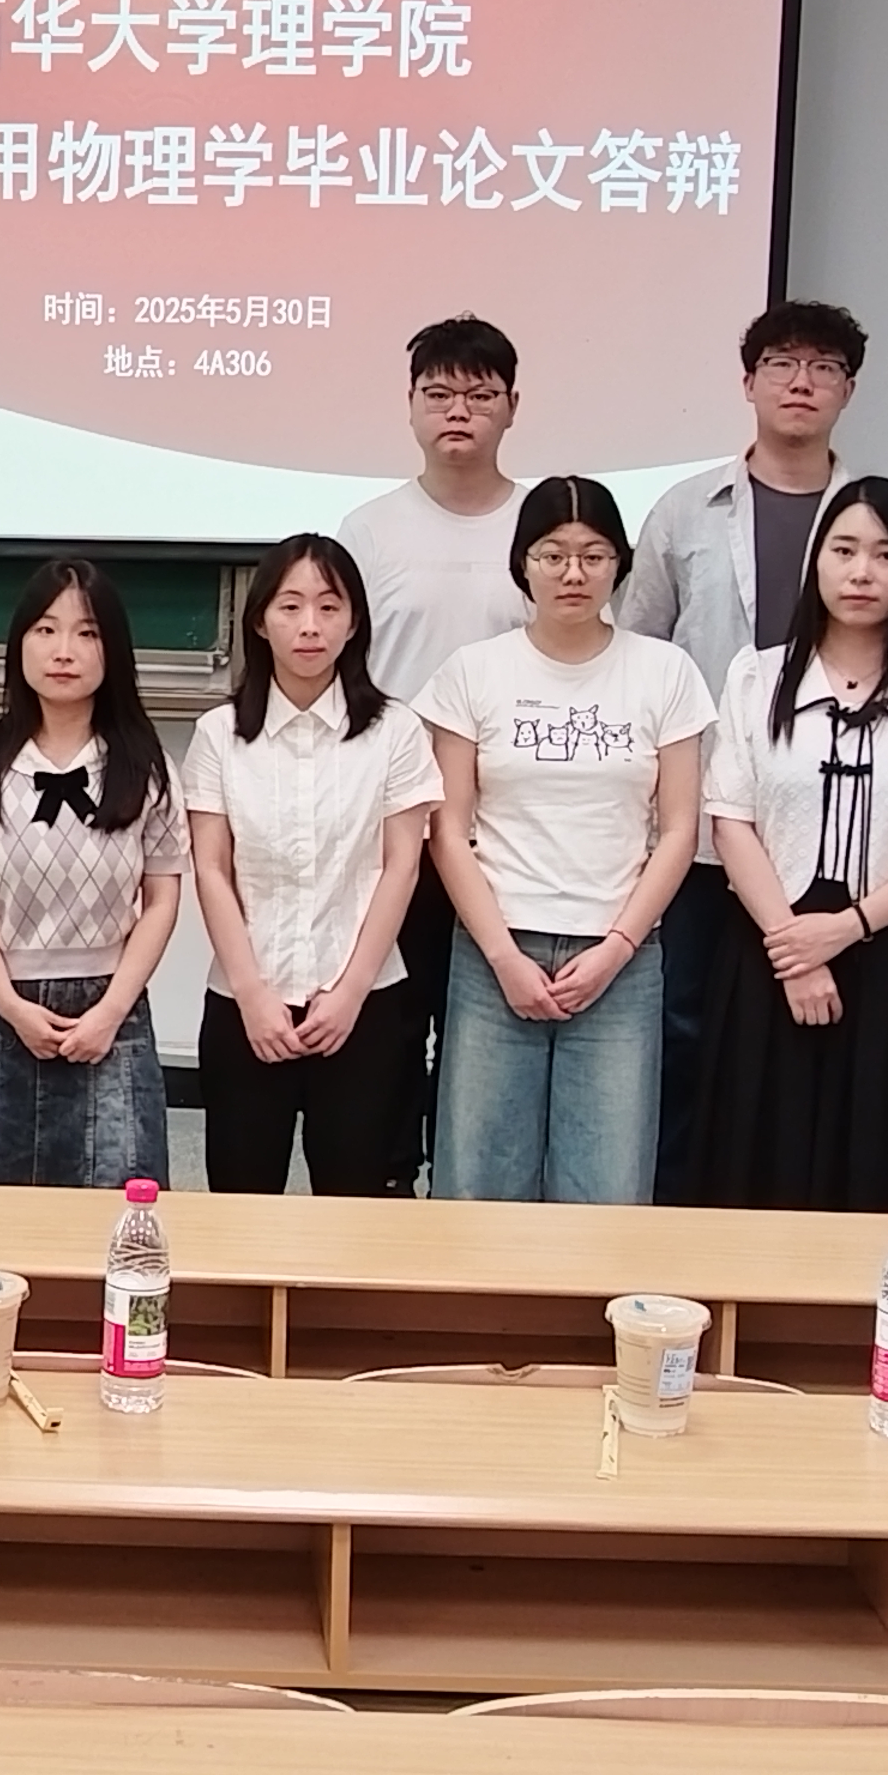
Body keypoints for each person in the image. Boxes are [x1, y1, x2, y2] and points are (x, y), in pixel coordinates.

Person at [693, 477, 888, 1212]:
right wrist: (796, 950)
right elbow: (731, 821)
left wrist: (846, 929)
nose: (862, 572)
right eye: (844, 550)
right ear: (817, 562)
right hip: (770, 953)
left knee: (879, 1181)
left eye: (886, 555)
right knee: (755, 1171)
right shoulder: (758, 676)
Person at [621, 299, 869, 1203]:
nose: (802, 383)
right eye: (782, 365)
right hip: (695, 834)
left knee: (816, 1031)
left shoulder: (874, 515)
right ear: (749, 382)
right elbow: (637, 660)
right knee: (685, 1028)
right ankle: (677, 1215)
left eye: (824, 367)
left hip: (825, 829)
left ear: (847, 390)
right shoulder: (685, 512)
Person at [414, 478, 713, 1205]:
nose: (573, 573)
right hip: (495, 952)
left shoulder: (664, 671)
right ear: (523, 564)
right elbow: (448, 829)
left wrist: (617, 947)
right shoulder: (474, 671)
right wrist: (502, 956)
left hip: (621, 956)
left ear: (619, 565)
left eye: (593, 555)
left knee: (606, 1186)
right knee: (478, 1181)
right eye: (553, 555)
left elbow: (680, 829)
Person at [181, 533, 442, 1197]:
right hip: (245, 1004)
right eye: (290, 606)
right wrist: (253, 994)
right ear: (259, 621)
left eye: (329, 607)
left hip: (366, 1006)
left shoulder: (395, 731)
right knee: (240, 1203)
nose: (309, 626)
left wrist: (350, 991)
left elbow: (402, 867)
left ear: (354, 623)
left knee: (355, 1208)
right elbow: (211, 869)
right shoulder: (219, 734)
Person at [335, 314, 531, 1190]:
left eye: (480, 395)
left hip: (515, 824)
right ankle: (387, 1182)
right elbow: (339, 669)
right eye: (440, 393)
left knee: (487, 1023)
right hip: (398, 822)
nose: (459, 410)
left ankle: (473, 1187)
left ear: (512, 406)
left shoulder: (543, 525)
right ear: (411, 405)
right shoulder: (371, 529)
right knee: (393, 1014)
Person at [0, 561, 188, 1189]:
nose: (64, 651)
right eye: (46, 630)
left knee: (122, 1192)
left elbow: (161, 899)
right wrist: (10, 1005)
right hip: (0, 1005)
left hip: (112, 1006)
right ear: (20, 643)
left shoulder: (145, 765)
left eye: (87, 633)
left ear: (114, 650)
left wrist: (111, 1011)